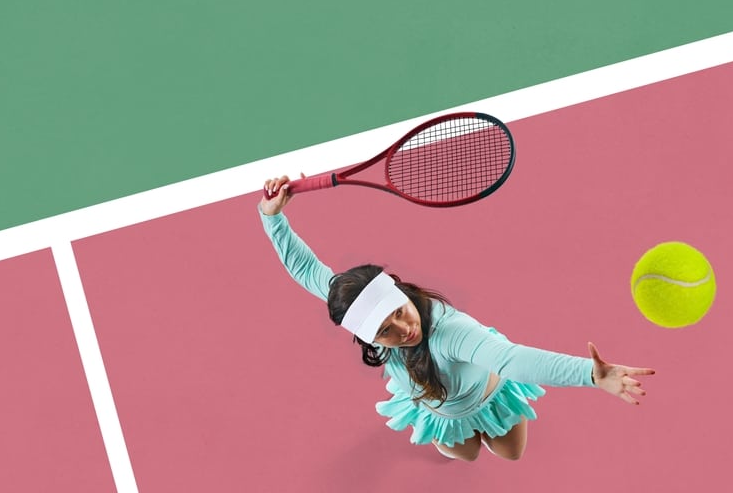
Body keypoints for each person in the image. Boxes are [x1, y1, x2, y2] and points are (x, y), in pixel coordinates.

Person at [259, 175, 655, 462]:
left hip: (490, 395)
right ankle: (454, 438)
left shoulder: (451, 332)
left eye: (399, 311)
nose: (404, 328)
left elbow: (513, 360)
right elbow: (306, 270)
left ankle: (484, 427)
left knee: (511, 454)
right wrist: (271, 215)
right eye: (385, 331)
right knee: (464, 455)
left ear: (399, 291)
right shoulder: (352, 305)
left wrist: (591, 374)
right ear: (367, 337)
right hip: (438, 408)